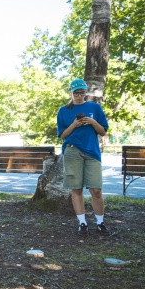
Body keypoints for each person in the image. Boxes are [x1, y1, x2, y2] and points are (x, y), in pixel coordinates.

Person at [57, 79, 110, 236]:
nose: (79, 96)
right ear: (71, 93)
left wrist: (92, 122)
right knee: (76, 188)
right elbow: (62, 135)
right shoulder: (63, 110)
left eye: (82, 93)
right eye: (76, 93)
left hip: (92, 152)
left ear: (85, 92)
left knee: (96, 189)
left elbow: (103, 132)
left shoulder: (95, 107)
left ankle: (100, 223)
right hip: (72, 151)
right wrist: (74, 125)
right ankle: (82, 223)